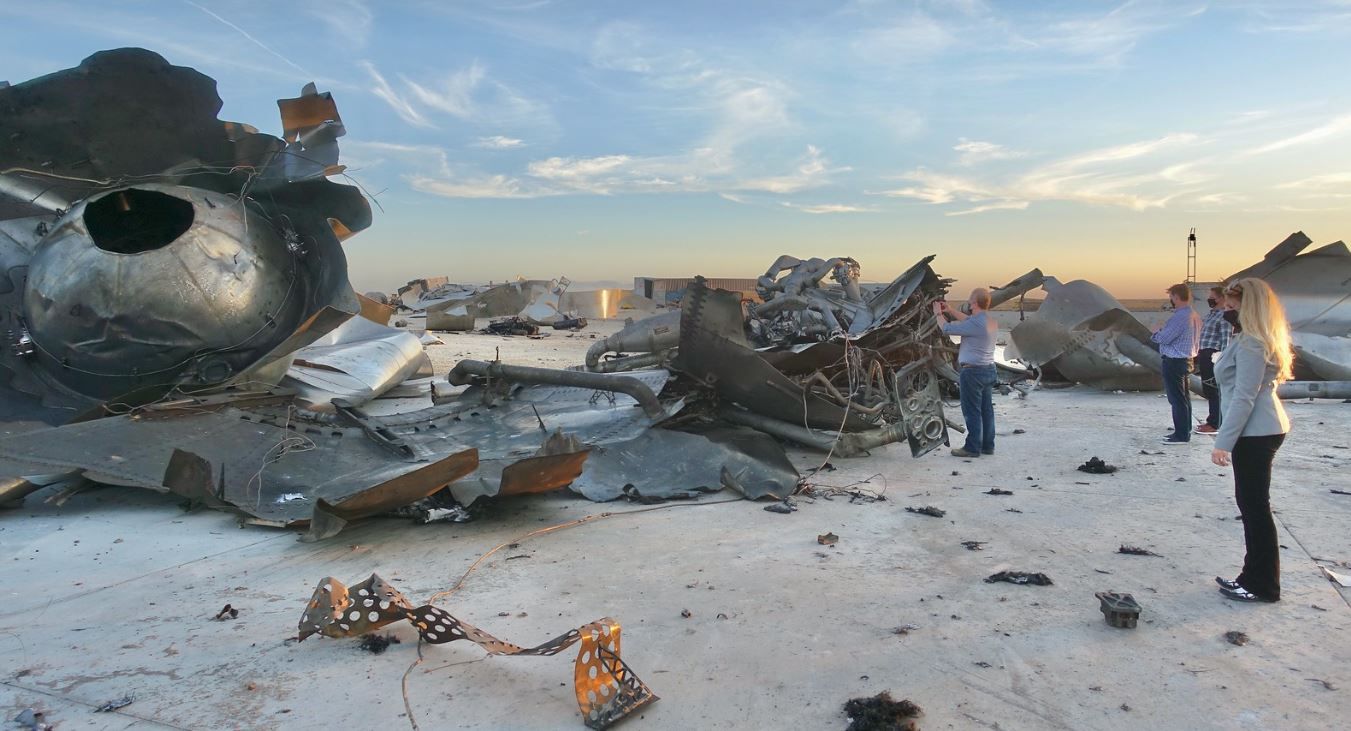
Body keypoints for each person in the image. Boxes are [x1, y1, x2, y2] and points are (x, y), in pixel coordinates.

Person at [1211, 278, 1293, 603]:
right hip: (1258, 428)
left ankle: (1262, 585)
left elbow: (1244, 397)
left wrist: (1223, 442)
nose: (1227, 312)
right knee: (1251, 505)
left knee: (1255, 508)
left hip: (1255, 431)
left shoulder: (1252, 344)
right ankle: (1251, 576)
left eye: (1233, 307)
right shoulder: (1247, 338)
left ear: (1251, 308)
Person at [933, 289, 998, 458]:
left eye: (970, 299)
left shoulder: (976, 324)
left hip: (973, 373)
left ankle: (972, 448)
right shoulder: (990, 321)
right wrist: (950, 310)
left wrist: (938, 314)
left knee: (972, 412)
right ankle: (987, 445)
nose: (969, 301)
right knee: (986, 410)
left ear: (975, 303)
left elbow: (946, 329)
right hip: (988, 370)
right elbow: (969, 320)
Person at [1151, 284, 1202, 444]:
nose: (1170, 300)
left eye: (1171, 297)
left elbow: (1164, 338)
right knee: (1184, 398)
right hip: (1186, 360)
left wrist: (1156, 332)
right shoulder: (1194, 315)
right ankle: (1183, 431)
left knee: (1177, 399)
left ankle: (1181, 435)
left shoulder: (1180, 316)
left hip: (1174, 361)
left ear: (1176, 297)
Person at [1196, 286, 1233, 434]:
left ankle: (1215, 423)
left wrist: (1221, 360)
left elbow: (1226, 340)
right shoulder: (1211, 315)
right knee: (1208, 389)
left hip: (1213, 355)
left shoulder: (1224, 317)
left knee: (1214, 390)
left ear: (1221, 298)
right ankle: (1212, 419)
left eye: (1213, 297)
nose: (1210, 299)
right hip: (1204, 353)